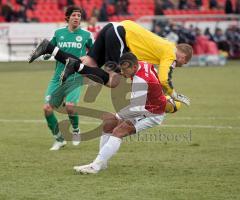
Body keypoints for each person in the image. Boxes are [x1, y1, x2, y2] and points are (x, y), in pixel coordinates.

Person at [28, 20, 192, 107]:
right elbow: (165, 78)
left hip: (113, 28)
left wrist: (163, 93)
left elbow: (157, 77)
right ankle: (67, 62)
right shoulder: (171, 53)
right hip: (121, 34)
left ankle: (50, 48)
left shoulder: (166, 46)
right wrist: (174, 95)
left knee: (88, 63)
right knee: (114, 81)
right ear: (183, 55)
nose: (181, 65)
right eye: (183, 62)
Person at [73, 52, 168, 174]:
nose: (122, 73)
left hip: (151, 113)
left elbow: (136, 109)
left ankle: (95, 166)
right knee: (109, 123)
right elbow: (155, 74)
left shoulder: (140, 80)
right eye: (121, 69)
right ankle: (102, 163)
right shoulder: (143, 64)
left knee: (119, 131)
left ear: (134, 67)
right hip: (145, 106)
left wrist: (117, 115)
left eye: (124, 70)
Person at [43, 5, 94, 150]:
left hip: (75, 77)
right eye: (74, 15)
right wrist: (46, 53)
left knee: (70, 107)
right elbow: (49, 50)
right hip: (58, 78)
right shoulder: (58, 33)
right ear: (68, 17)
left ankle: (76, 130)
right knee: (47, 109)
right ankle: (59, 139)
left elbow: (95, 52)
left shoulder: (86, 35)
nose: (77, 18)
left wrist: (88, 57)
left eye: (79, 15)